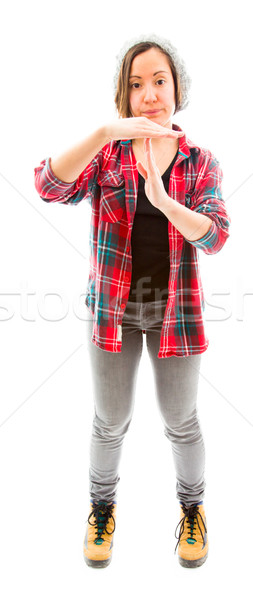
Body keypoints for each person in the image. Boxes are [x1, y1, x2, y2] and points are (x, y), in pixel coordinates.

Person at [34, 33, 230, 569]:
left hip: (177, 316)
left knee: (181, 421)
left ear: (176, 90)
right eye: (136, 84)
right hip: (113, 313)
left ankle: (193, 512)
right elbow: (48, 185)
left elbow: (215, 237)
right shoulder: (108, 156)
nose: (149, 94)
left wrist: (163, 200)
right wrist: (102, 132)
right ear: (124, 97)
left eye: (159, 81)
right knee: (109, 421)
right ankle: (102, 509)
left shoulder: (201, 162)